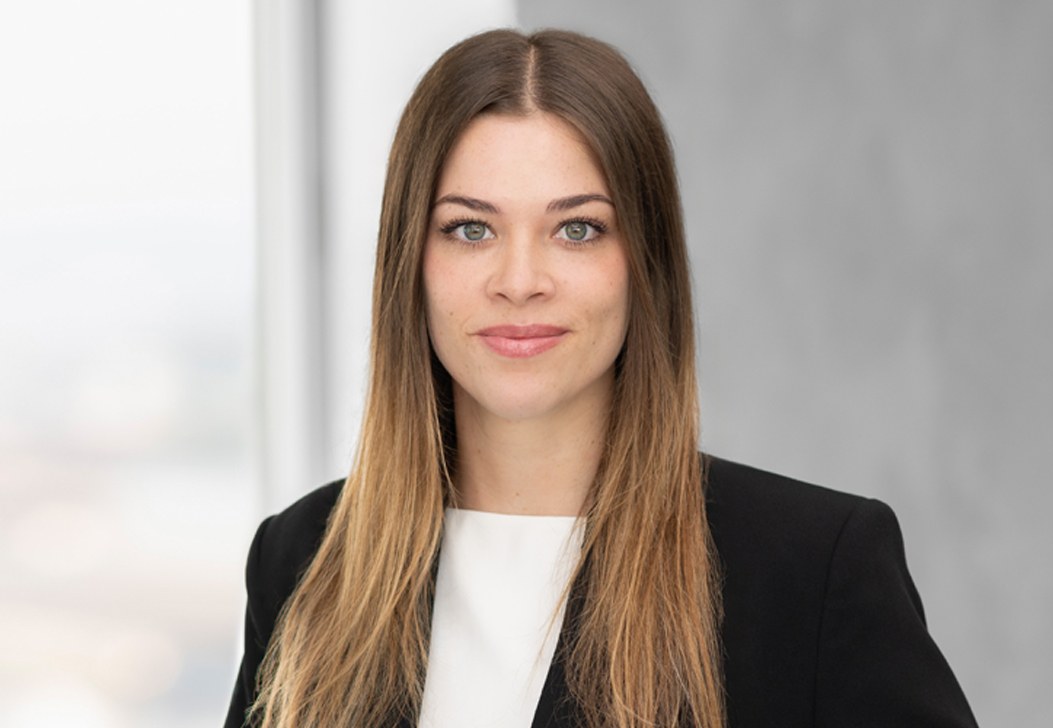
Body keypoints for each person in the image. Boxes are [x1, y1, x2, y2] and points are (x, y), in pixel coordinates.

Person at [225, 29, 978, 728]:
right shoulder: (304, 560)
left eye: (577, 229)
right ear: (410, 264)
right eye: (471, 229)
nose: (520, 280)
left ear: (644, 263)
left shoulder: (812, 571)